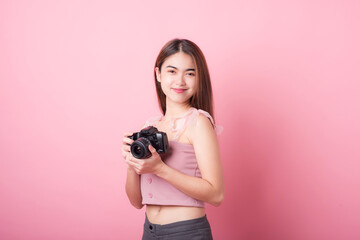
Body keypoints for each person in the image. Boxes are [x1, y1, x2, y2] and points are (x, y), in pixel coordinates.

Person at [122, 38, 224, 240]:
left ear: (199, 78)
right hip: (149, 231)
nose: (180, 81)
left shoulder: (198, 122)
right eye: (172, 71)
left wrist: (160, 169)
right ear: (158, 74)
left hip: (186, 232)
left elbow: (217, 195)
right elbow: (136, 202)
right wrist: (131, 163)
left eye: (190, 73)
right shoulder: (149, 127)